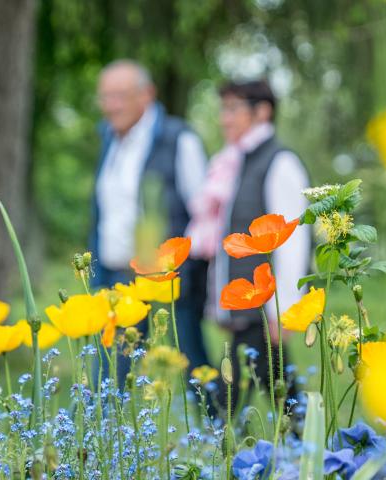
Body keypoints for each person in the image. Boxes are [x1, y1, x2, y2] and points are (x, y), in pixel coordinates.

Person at [187, 80, 311, 406]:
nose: (223, 119)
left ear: (262, 111)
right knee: (279, 389)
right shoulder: (238, 163)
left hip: (263, 306)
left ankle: (223, 449)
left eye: (233, 109)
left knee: (227, 400)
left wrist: (282, 309)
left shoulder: (279, 162)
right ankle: (309, 449)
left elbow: (293, 240)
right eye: (222, 110)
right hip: (247, 306)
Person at [89, 59, 210, 381]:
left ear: (147, 95)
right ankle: (106, 432)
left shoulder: (178, 138)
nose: (111, 106)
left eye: (120, 96)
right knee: (111, 373)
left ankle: (215, 428)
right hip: (116, 275)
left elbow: (204, 214)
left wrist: (187, 276)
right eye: (105, 97)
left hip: (167, 280)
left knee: (192, 366)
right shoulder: (109, 140)